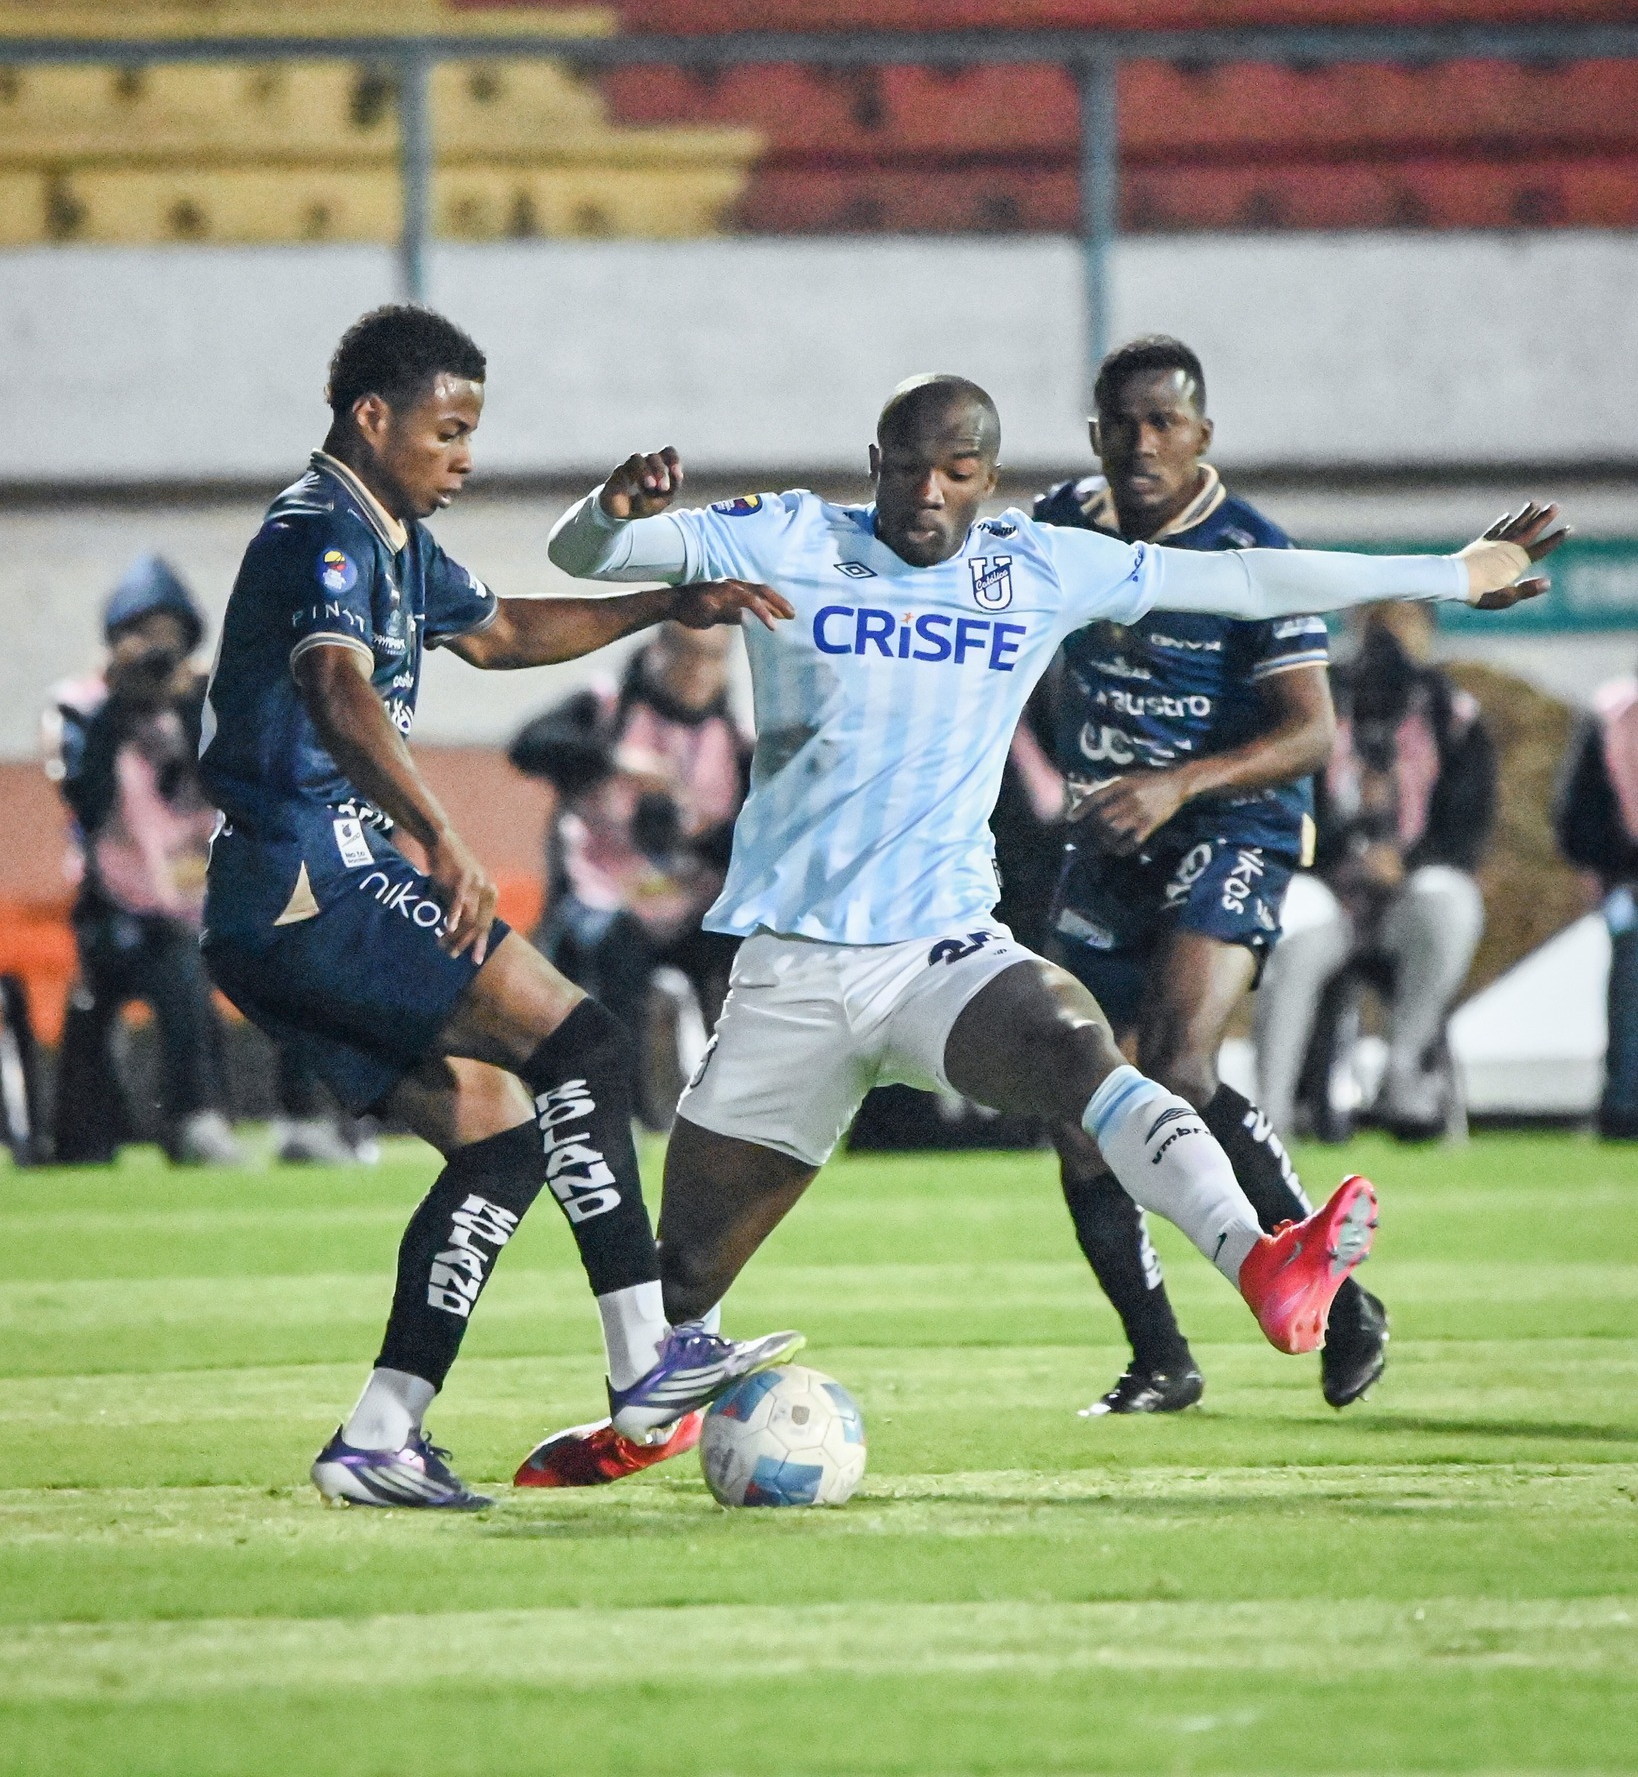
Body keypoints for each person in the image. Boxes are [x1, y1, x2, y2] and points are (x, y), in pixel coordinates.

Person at [542, 371, 1561, 1483]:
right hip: (791, 971)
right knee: (677, 1280)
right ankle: (649, 1422)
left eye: (959, 469)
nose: (929, 490)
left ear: (990, 479)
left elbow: (1245, 577)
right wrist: (614, 513)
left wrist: (1454, 574)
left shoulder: (1033, 565)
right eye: (908, 463)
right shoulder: (789, 535)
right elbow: (582, 557)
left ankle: (1266, 1262)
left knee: (1085, 1053)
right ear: (872, 456)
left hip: (940, 948)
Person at [197, 303, 801, 1509]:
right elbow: (333, 684)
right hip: (314, 879)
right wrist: (435, 830)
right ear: (373, 417)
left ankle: (380, 1434)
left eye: (472, 430)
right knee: (577, 1037)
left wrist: (658, 605)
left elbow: (510, 628)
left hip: (280, 907)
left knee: (502, 1140)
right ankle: (646, 1360)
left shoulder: (398, 543)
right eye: (448, 428)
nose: (464, 455)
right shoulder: (317, 531)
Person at [1030, 335, 1389, 1416]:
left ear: (1202, 435)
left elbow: (1312, 730)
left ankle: (1339, 1295)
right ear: (1095, 434)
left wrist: (1178, 784)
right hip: (1108, 836)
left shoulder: (1249, 552)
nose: (1143, 442)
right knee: (1076, 1094)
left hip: (1231, 824)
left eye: (1165, 422)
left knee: (1178, 1063)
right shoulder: (1057, 526)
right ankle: (1160, 1357)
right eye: (1123, 423)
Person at [1255, 598, 1496, 1143]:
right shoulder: (1317, 700)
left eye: (1404, 620)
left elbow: (1469, 821)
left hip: (1406, 894)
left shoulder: (1451, 712)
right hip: (1326, 885)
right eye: (1377, 619)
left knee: (1449, 900)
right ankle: (1269, 1110)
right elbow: (1282, 799)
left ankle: (1404, 1072)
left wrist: (1406, 862)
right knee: (1292, 924)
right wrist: (1342, 853)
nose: (1388, 635)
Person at [509, 621, 749, 1127]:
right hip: (603, 897)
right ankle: (623, 1107)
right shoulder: (606, 708)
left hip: (692, 904)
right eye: (687, 653)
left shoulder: (735, 737)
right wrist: (614, 762)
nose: (698, 670)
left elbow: (751, 839)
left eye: (713, 657)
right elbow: (528, 745)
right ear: (659, 649)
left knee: (745, 957)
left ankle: (735, 1107)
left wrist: (697, 833)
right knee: (611, 956)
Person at [43, 557, 242, 1166]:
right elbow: (87, 797)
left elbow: (233, 782)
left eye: (168, 633)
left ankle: (203, 1118)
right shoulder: (78, 704)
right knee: (106, 1008)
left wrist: (188, 707)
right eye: (141, 632)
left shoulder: (207, 700)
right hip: (115, 898)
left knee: (201, 985)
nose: (156, 648)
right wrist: (117, 709)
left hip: (203, 897)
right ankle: (91, 1134)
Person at [1554, 659, 1638, 1140]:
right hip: (1623, 883)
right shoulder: (1609, 717)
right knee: (1630, 966)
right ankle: (1624, 1103)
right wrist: (1613, 872)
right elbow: (1578, 812)